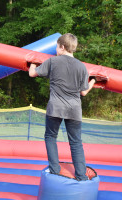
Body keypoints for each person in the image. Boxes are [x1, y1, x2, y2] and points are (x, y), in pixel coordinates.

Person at [29, 33, 96, 181]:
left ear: (62, 47)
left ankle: (55, 169)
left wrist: (32, 62)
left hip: (56, 107)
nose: (55, 50)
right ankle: (80, 175)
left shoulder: (53, 61)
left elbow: (32, 73)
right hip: (74, 108)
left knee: (51, 136)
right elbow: (84, 92)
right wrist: (93, 81)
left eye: (57, 47)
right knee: (76, 142)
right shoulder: (82, 67)